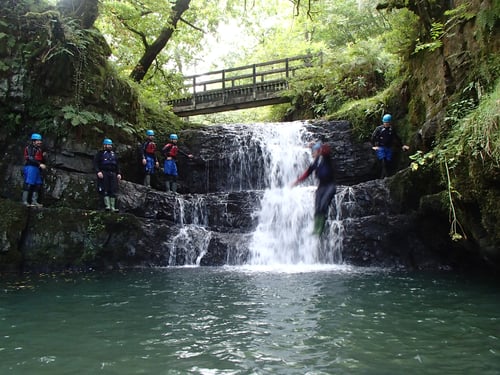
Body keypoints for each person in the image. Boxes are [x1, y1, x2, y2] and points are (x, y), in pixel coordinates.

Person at [292, 141, 337, 236]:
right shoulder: (315, 163)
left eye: (313, 151)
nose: (312, 153)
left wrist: (317, 145)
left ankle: (320, 229)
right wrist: (296, 182)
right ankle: (315, 230)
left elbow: (326, 150)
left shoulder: (326, 159)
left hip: (330, 186)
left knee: (323, 206)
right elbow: (306, 174)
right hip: (321, 187)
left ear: (319, 151)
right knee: (317, 209)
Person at [371, 114, 410, 178]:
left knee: (389, 162)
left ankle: (387, 177)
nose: (386, 124)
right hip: (381, 147)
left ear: (390, 122)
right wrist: (374, 146)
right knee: (383, 161)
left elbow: (396, 138)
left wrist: (402, 145)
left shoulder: (391, 129)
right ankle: (383, 177)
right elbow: (373, 137)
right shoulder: (379, 129)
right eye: (385, 122)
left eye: (387, 122)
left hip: (389, 147)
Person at [93, 138, 122, 212]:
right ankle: (107, 205)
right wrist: (98, 171)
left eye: (110, 145)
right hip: (104, 172)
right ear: (104, 145)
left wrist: (118, 173)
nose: (109, 146)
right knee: (104, 188)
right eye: (108, 145)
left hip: (113, 173)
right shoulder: (100, 154)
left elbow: (118, 165)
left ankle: (113, 206)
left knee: (113, 189)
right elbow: (96, 163)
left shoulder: (114, 154)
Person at [22, 133, 47, 207]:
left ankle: (34, 201)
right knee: (28, 183)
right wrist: (40, 164)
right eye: (38, 141)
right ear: (33, 141)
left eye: (40, 140)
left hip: (36, 168)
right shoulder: (29, 148)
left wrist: (44, 156)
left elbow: (43, 160)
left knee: (38, 184)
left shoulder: (40, 149)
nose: (39, 142)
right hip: (30, 167)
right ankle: (24, 201)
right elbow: (30, 157)